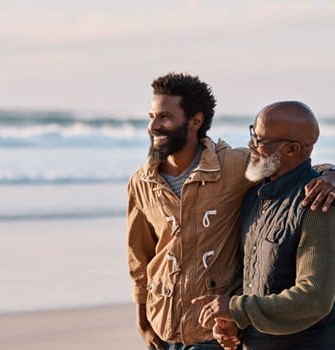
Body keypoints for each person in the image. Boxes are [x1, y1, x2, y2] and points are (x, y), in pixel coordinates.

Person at [127, 74, 335, 350]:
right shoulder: (141, 183)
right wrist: (143, 321)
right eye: (151, 116)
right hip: (166, 328)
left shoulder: (237, 168)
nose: (153, 125)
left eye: (164, 116)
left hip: (213, 337)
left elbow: (295, 167)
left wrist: (331, 175)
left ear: (195, 121)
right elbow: (139, 258)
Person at [192, 101, 335, 350]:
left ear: (292, 149)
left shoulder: (318, 205)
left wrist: (235, 308)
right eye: (252, 133)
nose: (251, 145)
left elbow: (314, 297)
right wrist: (231, 321)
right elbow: (248, 274)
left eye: (259, 139)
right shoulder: (253, 196)